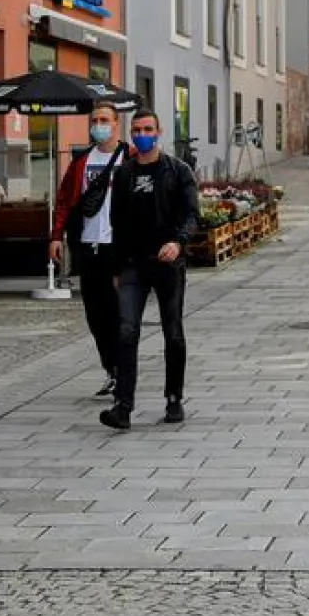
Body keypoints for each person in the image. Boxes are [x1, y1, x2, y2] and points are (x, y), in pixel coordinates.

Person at [99, 110, 199, 431]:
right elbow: (116, 223)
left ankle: (173, 398)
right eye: (138, 129)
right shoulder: (125, 174)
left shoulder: (178, 171)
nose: (143, 134)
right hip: (132, 265)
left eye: (148, 129)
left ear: (159, 131)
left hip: (168, 264)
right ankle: (123, 407)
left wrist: (178, 243)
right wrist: (116, 266)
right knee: (126, 331)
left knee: (173, 332)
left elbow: (191, 215)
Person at [49, 103, 133, 397]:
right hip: (88, 245)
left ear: (116, 124)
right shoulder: (81, 161)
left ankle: (123, 372)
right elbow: (64, 200)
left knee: (119, 313)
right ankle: (111, 369)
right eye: (94, 120)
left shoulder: (130, 158)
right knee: (95, 315)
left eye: (104, 120)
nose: (99, 125)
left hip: (118, 247)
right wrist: (56, 236)